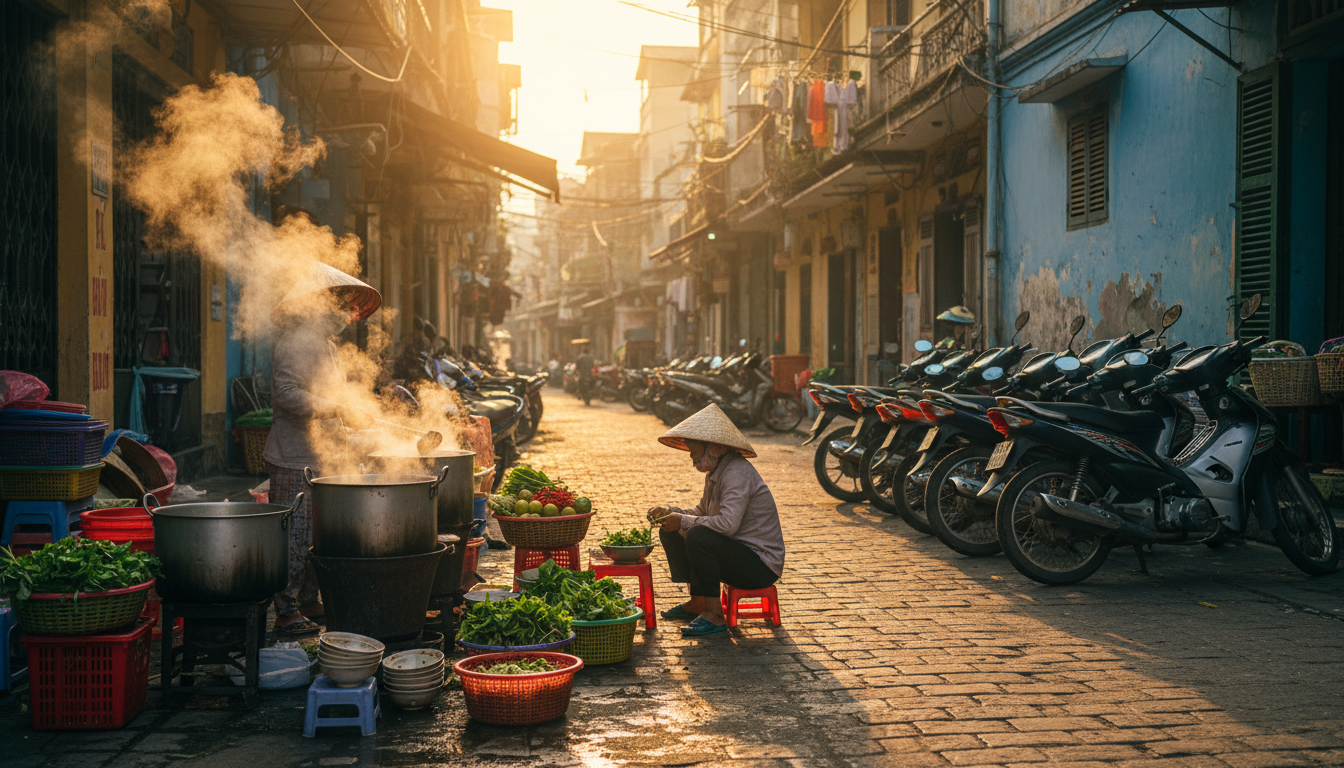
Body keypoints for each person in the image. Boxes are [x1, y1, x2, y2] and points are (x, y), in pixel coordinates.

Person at [263, 262, 381, 638]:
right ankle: (285, 609)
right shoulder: (298, 341)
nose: (348, 313)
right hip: (294, 456)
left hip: (322, 455)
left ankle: (308, 599)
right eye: (342, 304)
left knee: (317, 533)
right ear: (319, 305)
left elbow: (332, 398)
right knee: (293, 534)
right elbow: (286, 395)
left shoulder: (325, 343)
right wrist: (338, 409)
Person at [646, 404, 785, 636]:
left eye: (694, 451)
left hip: (760, 565)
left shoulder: (736, 473)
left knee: (697, 535)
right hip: (738, 552)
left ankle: (715, 614)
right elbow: (702, 512)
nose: (692, 458)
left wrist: (683, 520)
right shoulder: (717, 471)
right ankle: (698, 602)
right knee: (672, 528)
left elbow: (727, 525)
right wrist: (671, 512)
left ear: (714, 447)